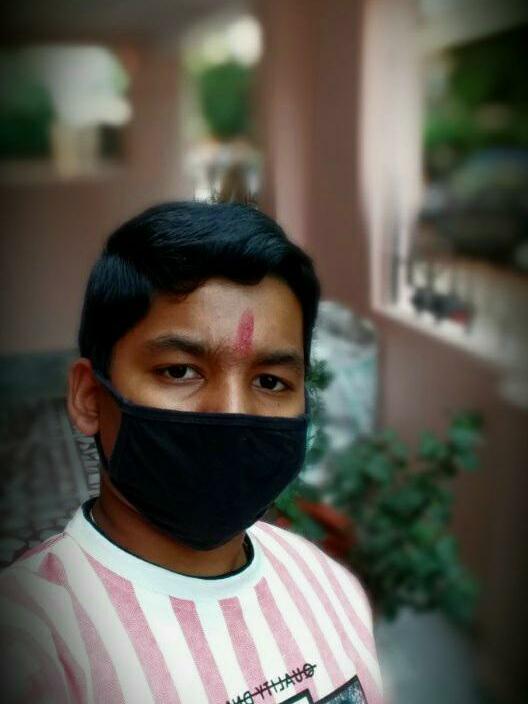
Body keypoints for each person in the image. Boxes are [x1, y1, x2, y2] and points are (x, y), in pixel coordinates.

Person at [0, 202, 384, 703]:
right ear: (89, 397)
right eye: (180, 371)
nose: (231, 413)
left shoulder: (329, 588)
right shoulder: (28, 645)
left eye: (271, 381)